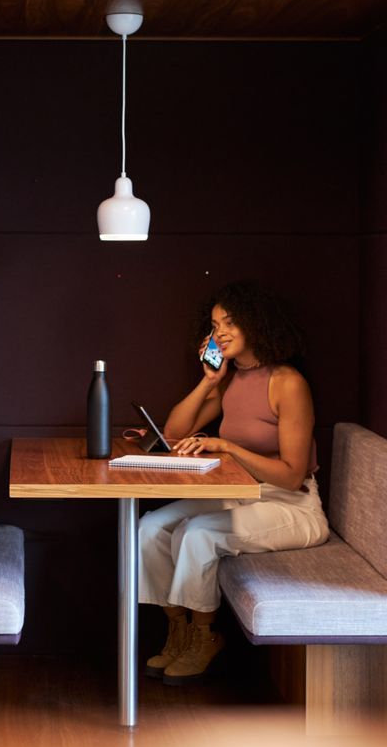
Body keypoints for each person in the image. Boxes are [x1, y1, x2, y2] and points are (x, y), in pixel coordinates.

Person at [139, 281, 328, 684]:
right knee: (150, 527)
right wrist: (208, 380)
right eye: (214, 324)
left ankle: (205, 637)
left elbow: (292, 475)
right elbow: (173, 434)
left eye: (230, 323)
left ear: (256, 325)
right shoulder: (229, 378)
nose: (219, 332)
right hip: (241, 497)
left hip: (292, 506)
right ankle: (180, 630)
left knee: (199, 534)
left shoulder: (287, 383)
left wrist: (227, 446)